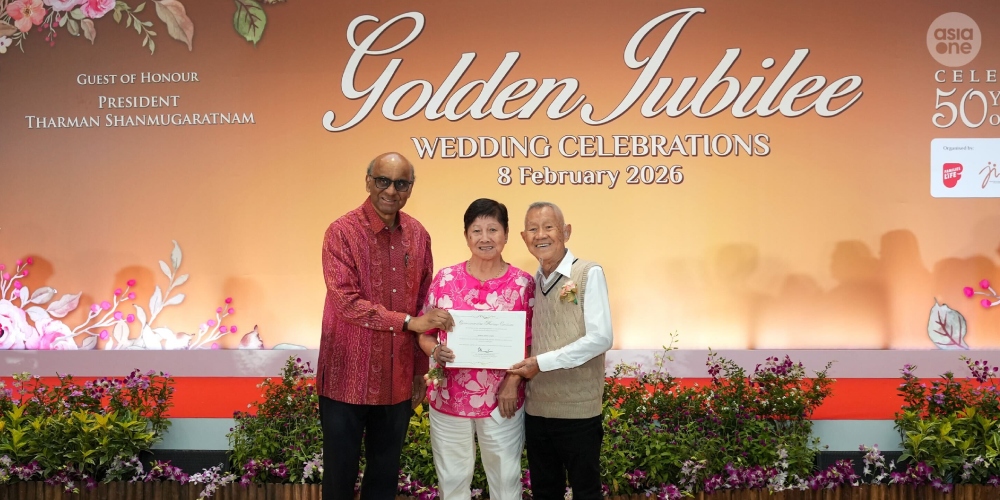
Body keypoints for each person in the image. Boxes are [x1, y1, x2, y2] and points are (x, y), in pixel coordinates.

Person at [318, 152, 455, 500]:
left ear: (410, 188)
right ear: (368, 181)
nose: (391, 191)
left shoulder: (419, 235)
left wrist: (420, 370)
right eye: (383, 181)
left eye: (401, 183)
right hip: (347, 378)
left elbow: (424, 304)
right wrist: (408, 322)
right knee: (339, 478)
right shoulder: (341, 232)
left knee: (384, 477)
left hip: (397, 379)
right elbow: (346, 302)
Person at [418, 198, 535, 500]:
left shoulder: (524, 284)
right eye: (476, 230)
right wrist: (435, 351)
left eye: (493, 229)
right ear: (466, 236)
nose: (485, 238)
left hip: (502, 401)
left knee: (506, 481)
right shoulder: (445, 279)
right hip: (449, 398)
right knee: (452, 481)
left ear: (506, 234)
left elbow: (533, 344)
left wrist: (513, 382)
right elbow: (425, 333)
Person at [509, 201, 614, 500]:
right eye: (532, 229)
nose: (540, 235)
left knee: (586, 492)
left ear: (566, 232)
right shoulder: (530, 283)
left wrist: (541, 363)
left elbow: (601, 338)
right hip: (537, 410)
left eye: (549, 227)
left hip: (578, 411)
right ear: (523, 237)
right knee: (545, 492)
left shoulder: (588, 273)